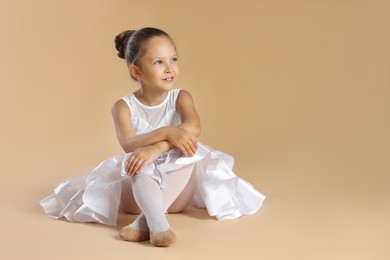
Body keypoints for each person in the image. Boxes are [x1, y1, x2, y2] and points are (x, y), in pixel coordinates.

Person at [40, 27, 265, 247]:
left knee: (190, 150)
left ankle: (145, 224)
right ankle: (157, 224)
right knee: (139, 161)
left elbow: (194, 126)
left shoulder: (181, 97)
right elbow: (128, 143)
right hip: (135, 196)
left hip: (176, 195)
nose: (169, 68)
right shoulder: (122, 106)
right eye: (159, 62)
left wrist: (157, 148)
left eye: (173, 59)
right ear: (137, 72)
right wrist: (166, 132)